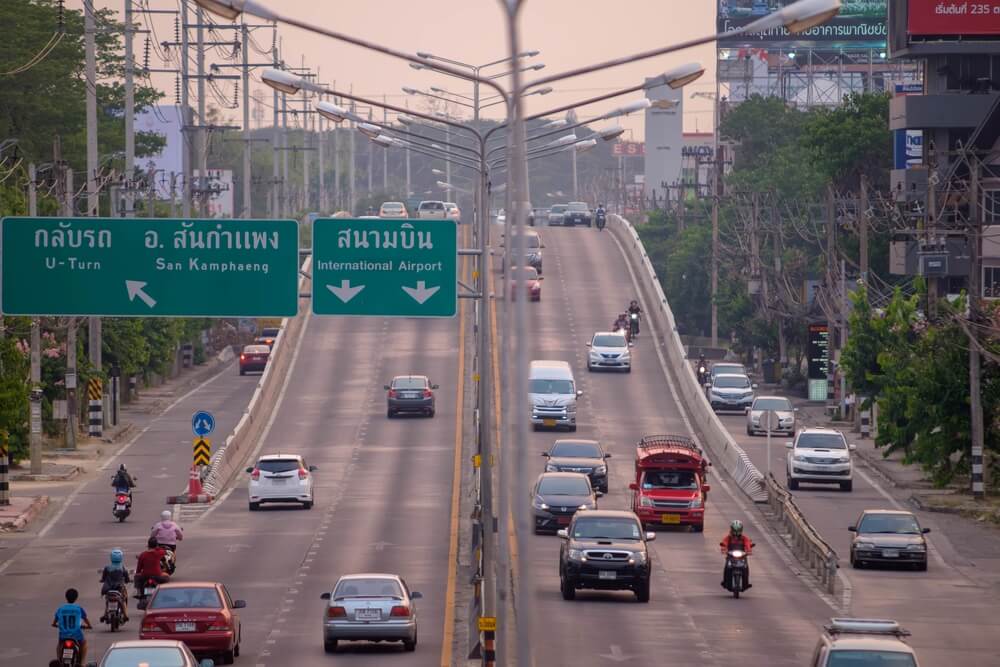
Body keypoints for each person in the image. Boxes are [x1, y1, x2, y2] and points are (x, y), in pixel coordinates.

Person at [52, 588, 91, 664]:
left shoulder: (61, 608)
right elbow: (85, 619)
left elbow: (55, 621)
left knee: (59, 645)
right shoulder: (78, 608)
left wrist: (54, 625)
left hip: (63, 635)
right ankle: (82, 663)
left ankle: (59, 661)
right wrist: (89, 626)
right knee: (84, 643)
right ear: (76, 598)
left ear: (66, 597)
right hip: (76, 634)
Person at [720, 520, 754, 589]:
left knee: (746, 568)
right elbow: (724, 543)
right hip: (731, 557)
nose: (736, 532)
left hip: (742, 557)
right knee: (727, 568)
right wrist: (724, 548)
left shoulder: (744, 538)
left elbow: (748, 544)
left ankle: (746, 583)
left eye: (738, 530)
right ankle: (725, 582)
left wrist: (749, 550)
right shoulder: (728, 538)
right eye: (735, 530)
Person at [99, 548, 131, 623]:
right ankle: (125, 615)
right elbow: (127, 578)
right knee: (123, 600)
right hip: (119, 588)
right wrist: (128, 580)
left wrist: (102, 580)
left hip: (108, 588)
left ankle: (105, 614)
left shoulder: (107, 567)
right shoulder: (122, 567)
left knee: (107, 600)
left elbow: (103, 578)